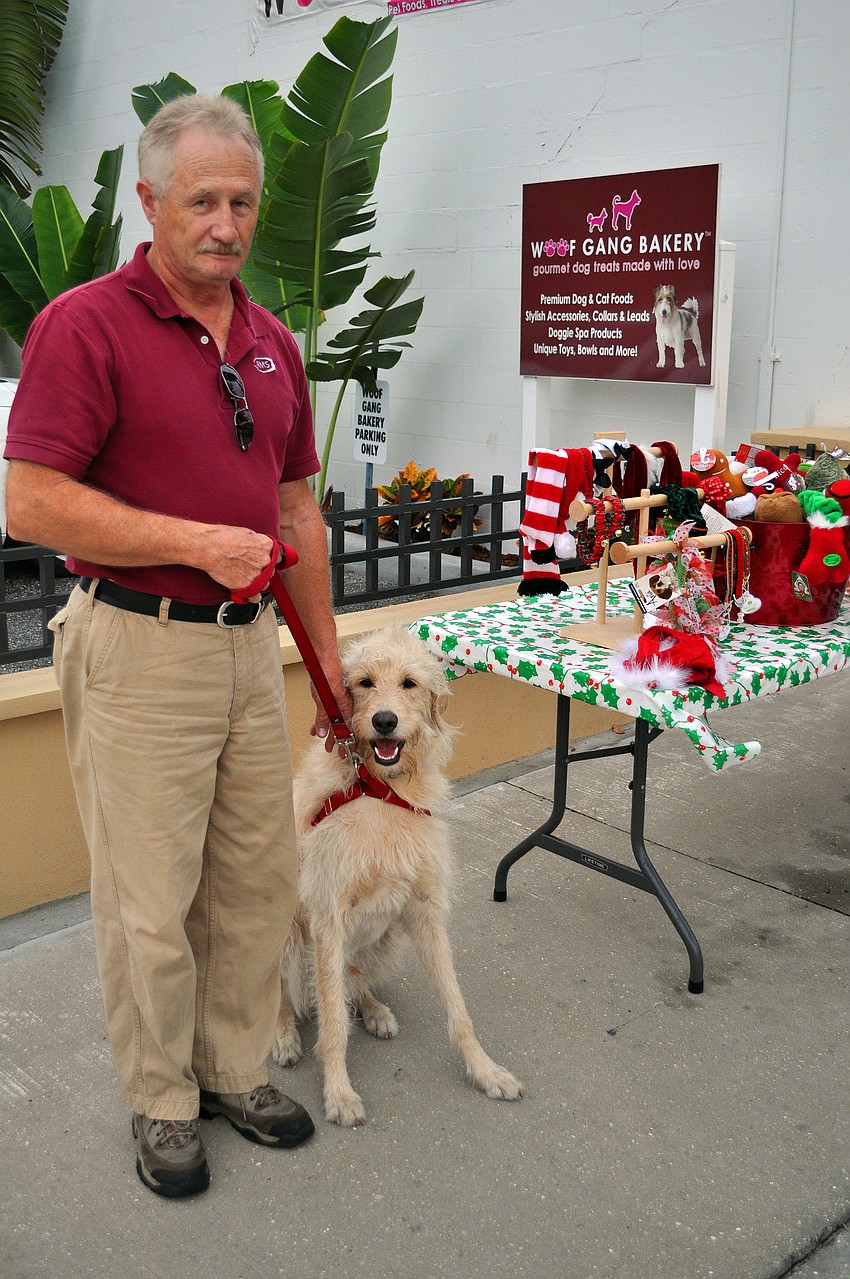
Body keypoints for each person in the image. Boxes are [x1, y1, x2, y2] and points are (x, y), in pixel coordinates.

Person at [3, 94, 352, 1199]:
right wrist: (192, 542)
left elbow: (298, 516)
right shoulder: (84, 324)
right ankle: (161, 1099)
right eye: (201, 199)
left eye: (242, 201)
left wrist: (330, 671)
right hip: (138, 647)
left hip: (252, 653)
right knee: (152, 896)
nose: (226, 222)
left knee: (255, 879)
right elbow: (31, 502)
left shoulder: (270, 341)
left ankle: (233, 1068)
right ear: (149, 203)